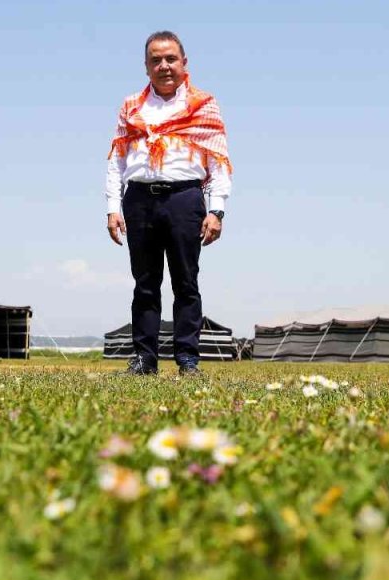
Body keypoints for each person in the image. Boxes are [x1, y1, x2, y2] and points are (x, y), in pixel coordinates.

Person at [105, 31, 232, 376]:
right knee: (145, 283)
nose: (164, 66)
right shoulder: (132, 107)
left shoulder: (203, 105)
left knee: (185, 283)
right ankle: (145, 359)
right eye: (156, 60)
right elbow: (116, 160)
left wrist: (216, 210)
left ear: (184, 63)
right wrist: (112, 207)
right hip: (139, 199)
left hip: (185, 199)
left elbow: (218, 161)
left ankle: (188, 359)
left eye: (170, 59)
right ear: (146, 67)